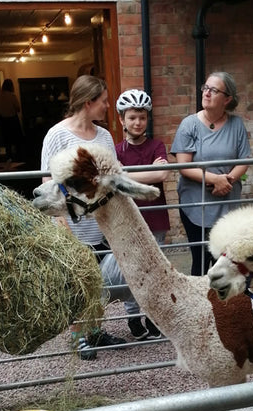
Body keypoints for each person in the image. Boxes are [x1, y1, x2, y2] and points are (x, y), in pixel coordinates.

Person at [41, 75, 126, 360]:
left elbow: (111, 177)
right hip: (71, 221)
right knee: (79, 282)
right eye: (103, 101)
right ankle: (79, 336)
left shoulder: (104, 136)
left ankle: (96, 331)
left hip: (99, 221)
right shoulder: (57, 135)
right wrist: (60, 222)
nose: (107, 105)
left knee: (99, 280)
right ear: (88, 102)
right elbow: (47, 181)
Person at [101, 89, 169, 341]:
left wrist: (125, 174)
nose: (137, 122)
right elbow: (112, 178)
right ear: (122, 120)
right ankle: (132, 316)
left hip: (155, 217)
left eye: (141, 117)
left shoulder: (157, 145)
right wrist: (143, 173)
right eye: (132, 118)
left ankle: (153, 316)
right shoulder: (116, 150)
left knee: (154, 269)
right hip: (128, 220)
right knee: (130, 268)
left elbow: (162, 175)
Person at [171, 71, 251, 276]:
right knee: (200, 261)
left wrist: (227, 181)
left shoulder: (236, 125)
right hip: (196, 204)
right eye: (205, 88)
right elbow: (184, 165)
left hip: (227, 202)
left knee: (223, 262)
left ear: (227, 99)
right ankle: (201, 304)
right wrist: (215, 179)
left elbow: (244, 161)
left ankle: (221, 304)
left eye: (214, 90)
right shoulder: (189, 125)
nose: (206, 93)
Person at [0, 79, 23, 162]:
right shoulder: (12, 96)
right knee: (17, 140)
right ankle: (18, 158)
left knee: (7, 140)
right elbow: (18, 108)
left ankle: (8, 156)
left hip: (3, 120)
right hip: (13, 119)